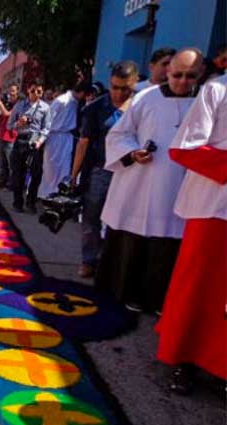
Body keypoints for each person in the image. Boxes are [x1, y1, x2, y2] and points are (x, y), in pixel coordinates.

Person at [97, 49, 204, 314]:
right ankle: (127, 293)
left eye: (190, 76)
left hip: (181, 186)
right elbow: (118, 135)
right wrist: (132, 152)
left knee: (169, 245)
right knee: (134, 239)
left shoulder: (206, 102)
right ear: (167, 72)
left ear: (199, 75)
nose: (182, 81)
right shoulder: (146, 99)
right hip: (140, 183)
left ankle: (160, 300)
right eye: (177, 74)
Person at [156, 72, 226, 393]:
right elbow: (185, 147)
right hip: (213, 207)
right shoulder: (217, 89)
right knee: (199, 289)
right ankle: (185, 360)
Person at [69, 61, 139, 278]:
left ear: (134, 84)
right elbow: (84, 142)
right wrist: (74, 174)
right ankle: (89, 260)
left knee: (123, 220)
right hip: (101, 171)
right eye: (114, 87)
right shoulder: (96, 108)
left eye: (124, 88)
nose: (118, 93)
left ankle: (112, 263)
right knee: (92, 217)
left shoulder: (143, 106)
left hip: (131, 172)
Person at [7, 80, 51, 213]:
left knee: (36, 174)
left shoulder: (45, 107)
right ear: (28, 90)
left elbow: (47, 128)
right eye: (33, 91)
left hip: (35, 143)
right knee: (18, 174)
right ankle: (17, 202)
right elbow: (9, 125)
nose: (36, 94)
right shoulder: (19, 106)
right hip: (21, 141)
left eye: (39, 91)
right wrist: (18, 124)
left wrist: (40, 141)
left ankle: (31, 202)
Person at [38, 82, 88, 199]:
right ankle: (46, 195)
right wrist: (42, 138)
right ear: (81, 93)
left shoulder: (76, 103)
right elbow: (48, 121)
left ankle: (57, 195)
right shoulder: (62, 100)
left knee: (64, 168)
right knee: (51, 169)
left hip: (67, 138)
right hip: (55, 138)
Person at [0, 84, 20, 188]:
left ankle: (12, 183)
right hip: (2, 135)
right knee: (2, 162)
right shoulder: (6, 103)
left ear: (17, 93)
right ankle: (2, 181)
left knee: (11, 163)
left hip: (11, 137)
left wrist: (0, 104)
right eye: (10, 91)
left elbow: (7, 114)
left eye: (13, 91)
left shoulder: (19, 105)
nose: (11, 93)